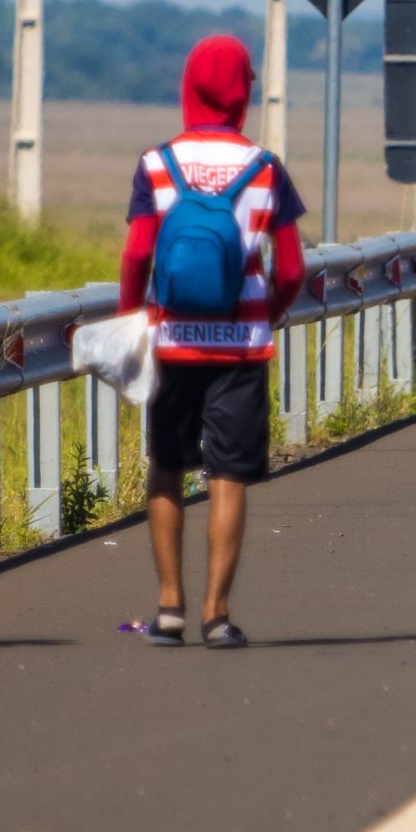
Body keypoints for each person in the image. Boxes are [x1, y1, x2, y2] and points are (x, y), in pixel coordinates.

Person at [119, 37, 307, 649]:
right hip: (241, 348)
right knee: (228, 475)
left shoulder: (156, 164)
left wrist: (133, 319)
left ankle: (169, 607)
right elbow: (292, 271)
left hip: (171, 342)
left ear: (190, 85)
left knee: (167, 467)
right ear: (244, 91)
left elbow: (139, 252)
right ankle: (216, 615)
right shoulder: (265, 166)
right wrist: (266, 317)